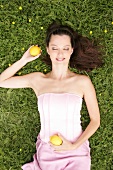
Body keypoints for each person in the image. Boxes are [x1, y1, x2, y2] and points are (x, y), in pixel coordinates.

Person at [0, 21, 103, 170]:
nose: (60, 54)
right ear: (48, 49)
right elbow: (2, 81)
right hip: (48, 152)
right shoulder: (38, 80)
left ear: (71, 50)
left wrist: (74, 145)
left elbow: (95, 121)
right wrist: (25, 59)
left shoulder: (82, 82)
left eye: (65, 48)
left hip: (76, 152)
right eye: (54, 48)